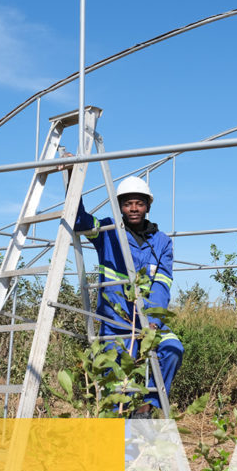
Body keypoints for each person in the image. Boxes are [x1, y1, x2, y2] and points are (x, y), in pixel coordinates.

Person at [74, 176, 184, 418]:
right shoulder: (107, 231)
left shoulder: (162, 242)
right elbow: (79, 221)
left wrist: (152, 320)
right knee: (115, 384)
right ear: (119, 207)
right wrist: (75, 176)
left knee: (173, 349)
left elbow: (163, 283)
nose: (133, 209)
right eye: (127, 204)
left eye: (139, 204)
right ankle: (118, 445)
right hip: (116, 324)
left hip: (149, 323)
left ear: (148, 206)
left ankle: (145, 408)